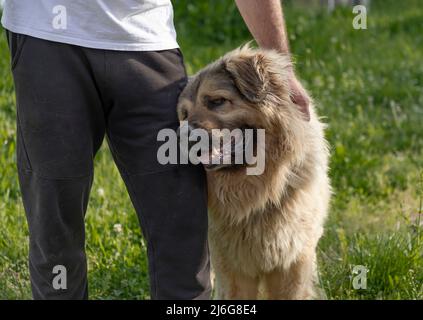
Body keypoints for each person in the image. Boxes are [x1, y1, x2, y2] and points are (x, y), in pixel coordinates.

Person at [1, 0, 309, 300]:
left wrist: (280, 68)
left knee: (181, 226)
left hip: (146, 43)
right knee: (54, 217)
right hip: (45, 37)